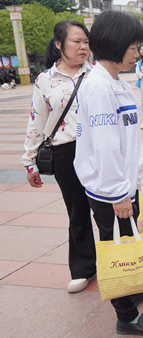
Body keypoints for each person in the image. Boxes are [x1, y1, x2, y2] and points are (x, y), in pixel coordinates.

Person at [73, 10, 143, 336]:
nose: (136, 51)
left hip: (125, 186)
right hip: (111, 191)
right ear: (115, 43)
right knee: (118, 248)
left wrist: (132, 184)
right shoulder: (99, 88)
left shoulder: (115, 83)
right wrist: (118, 194)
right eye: (132, 45)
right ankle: (126, 316)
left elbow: (127, 141)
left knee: (129, 241)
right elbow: (105, 146)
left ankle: (134, 291)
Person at [22, 20, 96, 294]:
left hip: (97, 150)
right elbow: (36, 122)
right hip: (65, 151)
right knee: (77, 211)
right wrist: (29, 161)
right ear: (58, 44)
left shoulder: (97, 74)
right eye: (76, 41)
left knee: (107, 208)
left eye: (86, 42)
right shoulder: (45, 80)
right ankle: (83, 268)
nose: (83, 47)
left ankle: (120, 265)